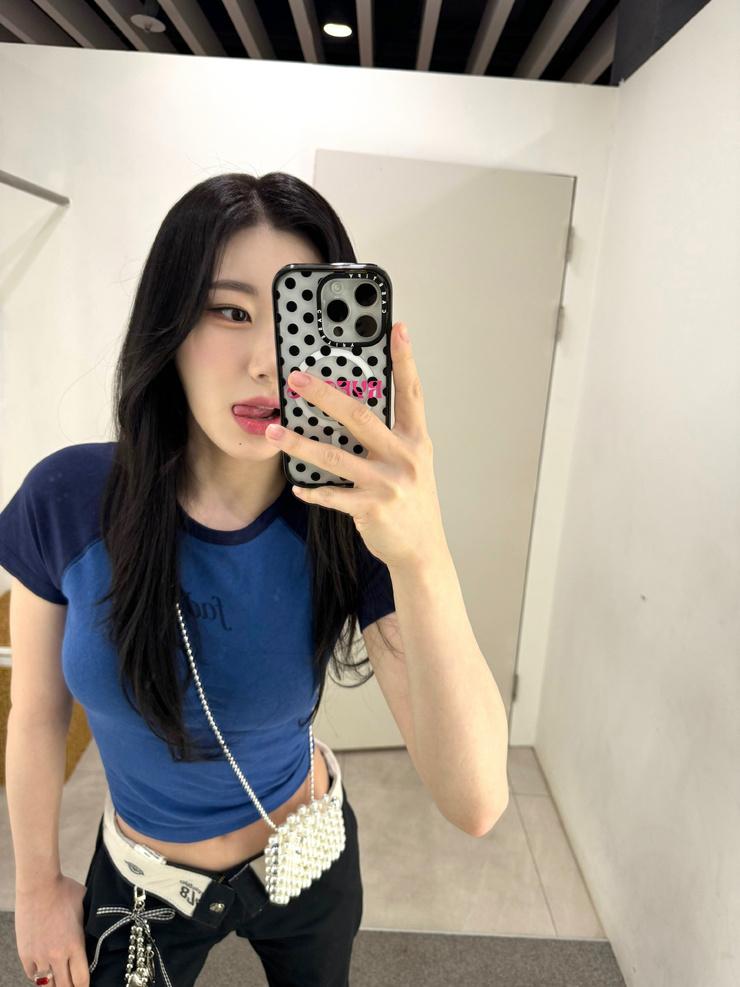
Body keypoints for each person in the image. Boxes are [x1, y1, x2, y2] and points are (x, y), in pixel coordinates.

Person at [1, 172, 407, 987]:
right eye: (231, 311)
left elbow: (473, 794)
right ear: (171, 323)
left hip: (304, 856)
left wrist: (420, 544)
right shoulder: (67, 499)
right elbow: (38, 712)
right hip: (144, 882)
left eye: (295, 319)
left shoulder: (347, 518)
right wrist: (37, 884)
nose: (267, 362)